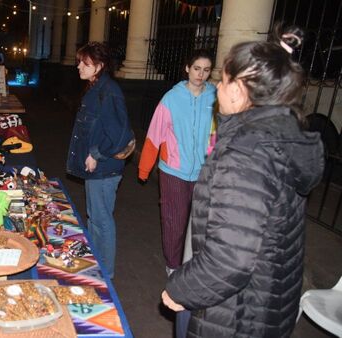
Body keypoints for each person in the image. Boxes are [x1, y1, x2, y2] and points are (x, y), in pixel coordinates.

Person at [161, 26, 324, 337]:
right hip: (266, 302)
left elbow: (229, 259)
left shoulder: (246, 153)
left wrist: (181, 288)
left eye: (221, 80)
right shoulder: (282, 134)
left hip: (236, 314)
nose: (216, 89)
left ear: (236, 90)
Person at [138, 50, 216, 276]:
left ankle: (196, 264)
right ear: (187, 69)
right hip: (173, 171)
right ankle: (173, 267)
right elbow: (155, 134)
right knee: (174, 221)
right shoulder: (171, 99)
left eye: (206, 70)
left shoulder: (215, 98)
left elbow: (217, 134)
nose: (201, 74)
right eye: (196, 68)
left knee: (201, 223)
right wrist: (144, 169)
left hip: (204, 172)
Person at [66, 42, 133, 280]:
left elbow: (120, 135)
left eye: (85, 63)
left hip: (105, 169)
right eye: (79, 62)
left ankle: (105, 272)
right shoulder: (95, 88)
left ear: (99, 66)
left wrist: (95, 153)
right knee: (95, 217)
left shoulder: (108, 91)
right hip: (97, 168)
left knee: (102, 220)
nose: (79, 67)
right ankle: (95, 264)